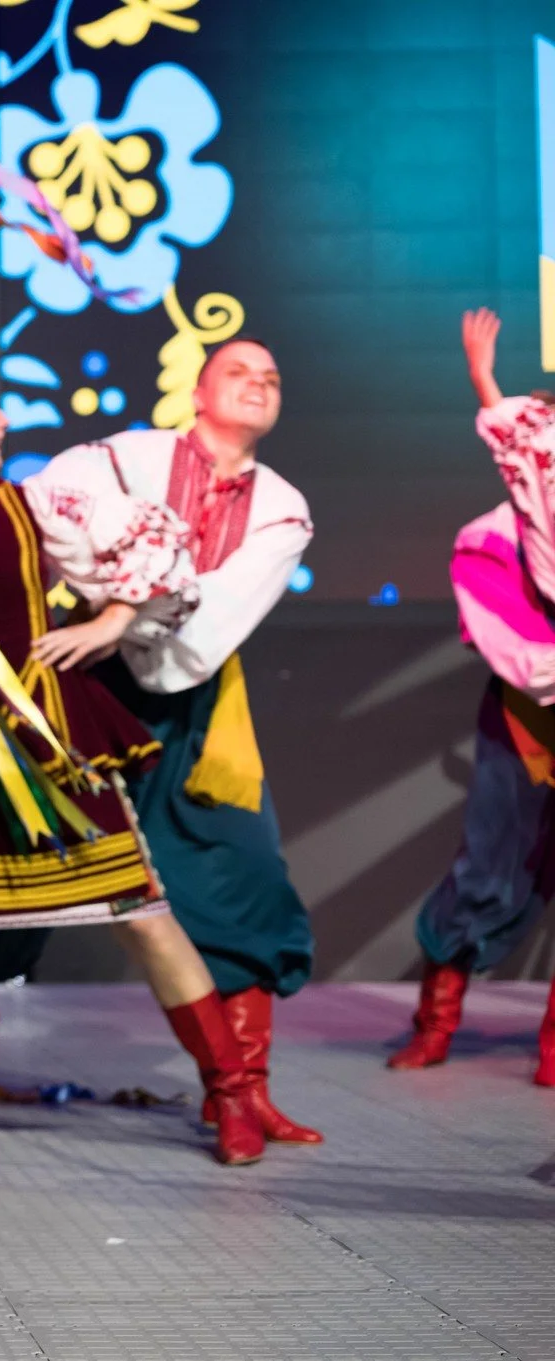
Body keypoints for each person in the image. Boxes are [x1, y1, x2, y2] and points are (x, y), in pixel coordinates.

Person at [0, 330, 271, 1168]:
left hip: (46, 738)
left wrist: (108, 623)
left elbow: (164, 550)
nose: (3, 420)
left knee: (145, 922)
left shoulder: (39, 503)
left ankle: (228, 1093)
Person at [28, 335, 323, 1145]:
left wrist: (123, 609)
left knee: (247, 870)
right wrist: (126, 592)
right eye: (239, 371)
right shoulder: (127, 457)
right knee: (16, 860)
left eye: (271, 375)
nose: (259, 383)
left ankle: (241, 1088)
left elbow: (215, 616)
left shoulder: (284, 508)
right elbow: (57, 506)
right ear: (198, 391)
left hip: (191, 694)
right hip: (83, 681)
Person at [389, 307, 555, 1086]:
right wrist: (486, 381)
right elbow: (520, 654)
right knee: (491, 869)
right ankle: (436, 1016)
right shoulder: (490, 542)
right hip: (529, 718)